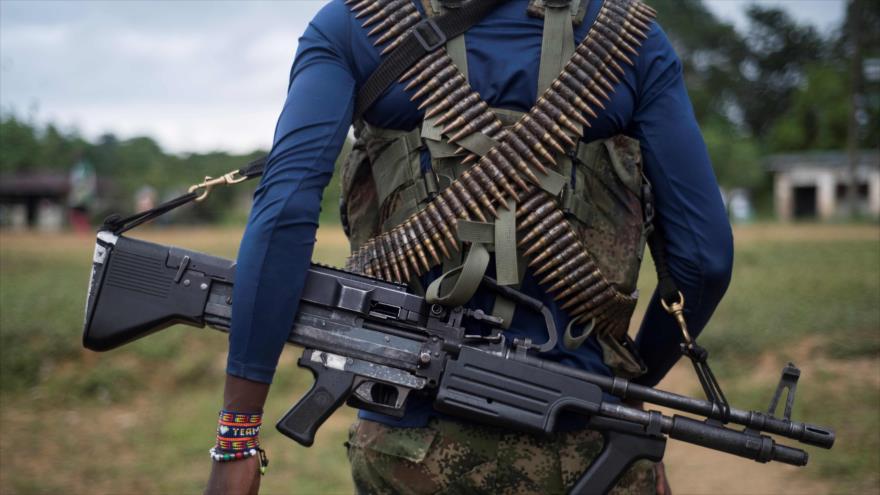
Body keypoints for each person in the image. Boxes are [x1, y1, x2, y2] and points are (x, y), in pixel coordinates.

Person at [205, 0, 733, 493]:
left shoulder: (354, 25)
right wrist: (617, 392)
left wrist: (237, 437)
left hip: (410, 447)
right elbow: (704, 259)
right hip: (588, 445)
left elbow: (282, 218)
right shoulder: (627, 35)